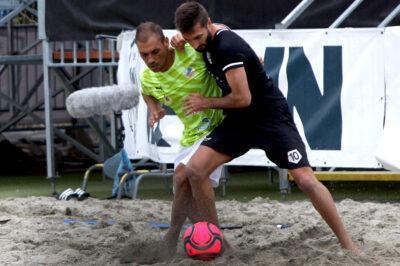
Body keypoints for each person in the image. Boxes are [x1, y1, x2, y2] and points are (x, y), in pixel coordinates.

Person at [173, 1, 359, 252]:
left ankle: (348, 244)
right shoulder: (209, 35)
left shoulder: (227, 47)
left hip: (269, 116)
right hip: (240, 119)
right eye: (189, 39)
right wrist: (179, 39)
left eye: (197, 37)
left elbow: (243, 98)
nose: (195, 44)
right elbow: (213, 37)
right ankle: (219, 242)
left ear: (208, 24)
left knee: (305, 179)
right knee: (194, 171)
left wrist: (205, 102)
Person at [134, 22, 225, 255]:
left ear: (166, 42)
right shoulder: (147, 77)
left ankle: (173, 234)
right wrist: (154, 109)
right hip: (190, 135)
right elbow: (146, 91)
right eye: (144, 54)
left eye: (155, 51)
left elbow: (217, 29)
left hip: (219, 126)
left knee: (182, 175)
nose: (151, 59)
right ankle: (213, 239)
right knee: (185, 189)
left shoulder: (190, 51)